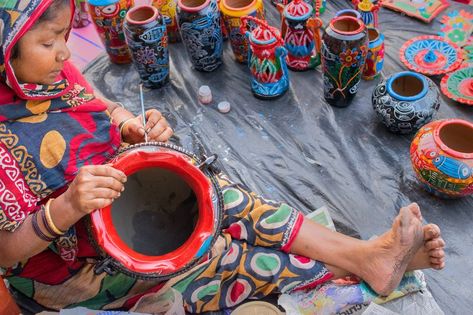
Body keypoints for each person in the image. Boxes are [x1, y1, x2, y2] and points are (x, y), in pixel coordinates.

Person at [0, 0, 445, 313]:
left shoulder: (49, 72)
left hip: (121, 191)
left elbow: (97, 103)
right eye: (48, 42)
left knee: (226, 199)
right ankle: (372, 264)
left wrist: (125, 124)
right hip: (77, 267)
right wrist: (67, 207)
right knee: (214, 255)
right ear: (7, 50)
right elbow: (7, 254)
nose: (65, 51)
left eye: (65, 36)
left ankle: (368, 256)